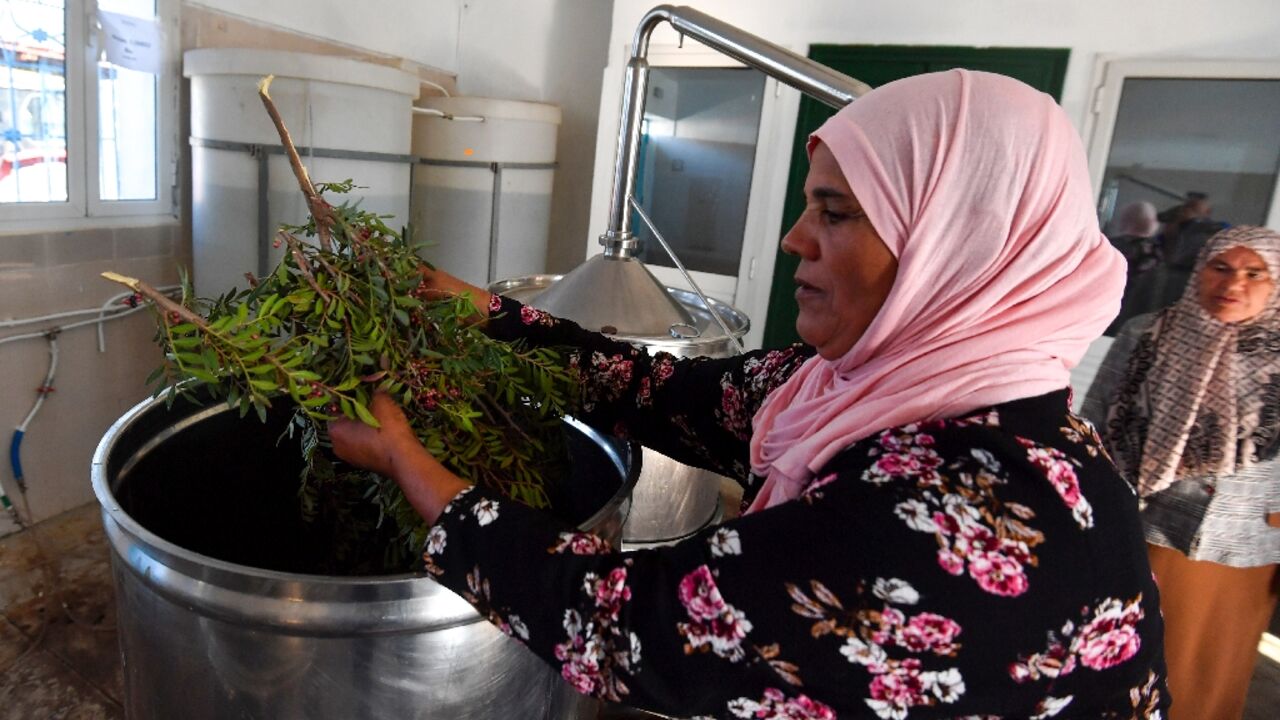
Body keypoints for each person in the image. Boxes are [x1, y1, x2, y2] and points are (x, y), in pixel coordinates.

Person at [332, 70, 1168, 719]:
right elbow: (657, 390)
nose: (793, 238)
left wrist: (415, 470)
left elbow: (636, 624)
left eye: (835, 214)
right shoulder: (862, 389)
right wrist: (491, 317)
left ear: (957, 246)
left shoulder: (963, 517)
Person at [1081, 225, 1280, 720]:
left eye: (1255, 273)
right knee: (1128, 658)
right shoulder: (1149, 332)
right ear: (1199, 270)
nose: (1234, 283)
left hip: (1244, 546)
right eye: (1222, 267)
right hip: (1146, 529)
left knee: (1211, 673)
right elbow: (1101, 416)